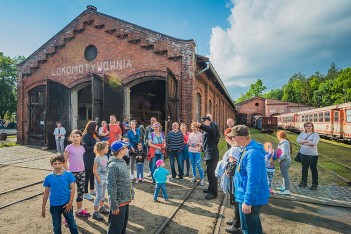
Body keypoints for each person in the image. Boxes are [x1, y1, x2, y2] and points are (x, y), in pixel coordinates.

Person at [229, 125, 269, 234]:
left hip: (249, 198)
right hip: (246, 195)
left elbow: (253, 180)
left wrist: (247, 201)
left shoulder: (252, 153)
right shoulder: (247, 149)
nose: (233, 139)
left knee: (248, 230)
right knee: (254, 227)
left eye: (234, 137)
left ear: (241, 138)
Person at [41, 154, 78, 234]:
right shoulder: (48, 177)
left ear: (63, 163)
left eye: (59, 163)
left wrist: (70, 202)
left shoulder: (68, 174)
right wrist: (43, 207)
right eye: (55, 163)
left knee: (72, 224)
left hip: (67, 204)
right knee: (56, 226)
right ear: (51, 164)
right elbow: (46, 192)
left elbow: (73, 188)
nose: (57, 165)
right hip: (54, 206)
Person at [107, 140, 134, 234]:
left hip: (125, 200)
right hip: (118, 202)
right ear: (120, 150)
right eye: (125, 147)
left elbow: (127, 180)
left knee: (122, 226)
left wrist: (131, 192)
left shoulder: (122, 161)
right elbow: (111, 186)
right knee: (115, 228)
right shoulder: (113, 166)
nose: (127, 149)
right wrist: (114, 206)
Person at [63, 129, 90, 217]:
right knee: (69, 193)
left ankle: (79, 210)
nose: (75, 138)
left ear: (81, 138)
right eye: (73, 137)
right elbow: (64, 161)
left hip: (81, 172)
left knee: (80, 191)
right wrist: (68, 172)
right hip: (71, 173)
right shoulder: (68, 148)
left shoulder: (82, 148)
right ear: (71, 138)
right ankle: (67, 216)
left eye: (77, 136)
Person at [219, 128, 241, 234]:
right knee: (236, 201)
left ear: (228, 138)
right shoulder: (237, 147)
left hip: (234, 179)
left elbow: (232, 167)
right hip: (237, 178)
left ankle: (237, 225)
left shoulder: (233, 149)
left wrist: (226, 171)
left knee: (235, 201)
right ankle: (236, 220)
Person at [197, 116, 219, 200]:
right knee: (209, 174)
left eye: (204, 121)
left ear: (208, 121)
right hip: (208, 154)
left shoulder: (212, 127)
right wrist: (202, 148)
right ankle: (210, 189)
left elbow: (209, 130)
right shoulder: (207, 128)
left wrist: (201, 126)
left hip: (212, 155)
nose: (202, 123)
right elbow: (207, 141)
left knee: (212, 174)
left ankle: (213, 193)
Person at [297, 122, 320, 190]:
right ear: (305, 127)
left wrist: (303, 142)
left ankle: (314, 184)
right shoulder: (302, 133)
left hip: (312, 155)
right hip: (303, 154)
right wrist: (308, 142)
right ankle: (304, 182)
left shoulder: (315, 135)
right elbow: (297, 140)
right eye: (307, 126)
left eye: (310, 126)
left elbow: (314, 143)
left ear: (312, 127)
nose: (308, 128)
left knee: (313, 169)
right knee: (304, 169)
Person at [92, 141, 110, 221]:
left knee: (103, 194)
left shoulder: (106, 157)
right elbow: (94, 170)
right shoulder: (97, 158)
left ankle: (101, 208)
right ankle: (95, 212)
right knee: (98, 195)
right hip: (99, 179)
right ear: (102, 149)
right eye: (106, 148)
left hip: (105, 178)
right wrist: (98, 178)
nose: (108, 149)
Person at [82, 121, 100, 200]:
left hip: (94, 156)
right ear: (92, 126)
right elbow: (85, 147)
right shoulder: (86, 135)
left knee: (93, 173)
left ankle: (92, 189)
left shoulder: (94, 134)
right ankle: (85, 192)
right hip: (88, 157)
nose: (97, 127)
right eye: (96, 126)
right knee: (87, 175)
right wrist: (95, 147)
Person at [276, 131, 292, 195]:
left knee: (285, 175)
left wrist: (280, 159)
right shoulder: (284, 142)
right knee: (284, 174)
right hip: (285, 160)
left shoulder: (284, 143)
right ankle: (284, 186)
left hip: (285, 160)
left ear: (279, 136)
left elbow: (284, 153)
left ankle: (287, 189)